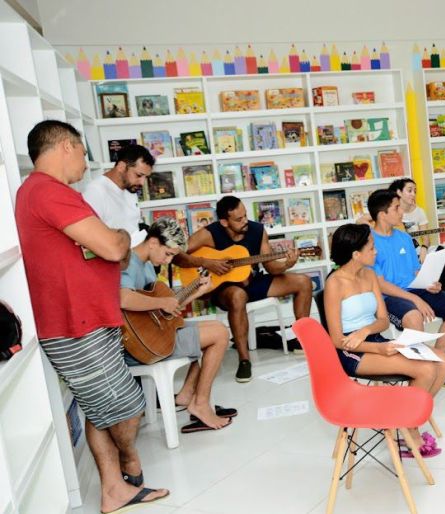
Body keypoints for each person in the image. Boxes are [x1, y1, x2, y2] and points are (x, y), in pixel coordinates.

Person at [14, 120, 169, 513]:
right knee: (127, 405)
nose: (86, 162)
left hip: (85, 319)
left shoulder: (43, 192)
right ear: (65, 146)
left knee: (99, 410)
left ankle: (113, 490)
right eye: (83, 152)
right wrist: (118, 236)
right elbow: (113, 247)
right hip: (77, 325)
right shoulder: (49, 192)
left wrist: (111, 240)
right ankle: (130, 463)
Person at [322, 224, 445, 458]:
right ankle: (408, 428)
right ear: (355, 255)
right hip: (353, 351)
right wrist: (374, 346)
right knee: (425, 370)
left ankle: (407, 418)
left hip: (375, 339)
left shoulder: (369, 274)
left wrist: (367, 330)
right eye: (371, 248)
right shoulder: (334, 284)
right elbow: (337, 340)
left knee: (443, 362)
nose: (376, 252)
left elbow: (382, 320)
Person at [173, 196, 313, 383]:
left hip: (252, 281)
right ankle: (244, 360)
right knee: (238, 296)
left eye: (245, 215)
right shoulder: (209, 233)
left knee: (303, 282)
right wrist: (207, 263)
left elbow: (271, 267)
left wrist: (287, 264)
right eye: (238, 219)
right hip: (224, 289)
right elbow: (177, 256)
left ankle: (301, 341)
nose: (245, 221)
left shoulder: (257, 230)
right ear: (224, 221)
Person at [119, 217, 234, 432]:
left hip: (152, 334)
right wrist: (163, 301)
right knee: (219, 334)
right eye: (168, 254)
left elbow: (165, 310)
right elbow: (123, 298)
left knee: (213, 327)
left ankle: (186, 395)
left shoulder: (146, 266)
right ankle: (200, 404)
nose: (168, 261)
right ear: (153, 242)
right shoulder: (128, 263)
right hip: (140, 346)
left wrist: (198, 291)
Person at [368, 189, 445, 388]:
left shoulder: (404, 238)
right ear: (382, 214)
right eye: (397, 208)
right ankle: (421, 371)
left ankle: (437, 362)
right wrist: (415, 299)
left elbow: (415, 271)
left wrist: (430, 282)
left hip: (415, 290)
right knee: (414, 316)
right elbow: (379, 284)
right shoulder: (369, 242)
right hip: (387, 296)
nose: (401, 212)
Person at [82, 143, 155, 234]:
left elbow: (132, 225)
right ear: (121, 167)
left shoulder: (130, 187)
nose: (142, 182)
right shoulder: (95, 192)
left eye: (146, 177)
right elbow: (88, 235)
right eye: (139, 175)